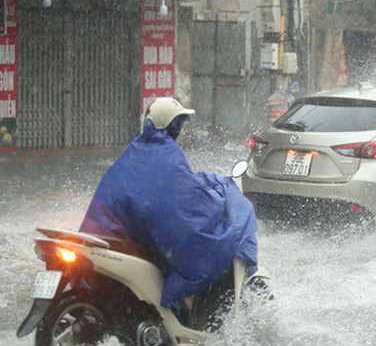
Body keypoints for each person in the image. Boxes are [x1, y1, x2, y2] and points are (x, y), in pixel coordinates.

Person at [80, 97, 258, 323]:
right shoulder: (168, 155)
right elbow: (184, 203)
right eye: (181, 123)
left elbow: (164, 190)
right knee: (210, 248)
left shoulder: (137, 150)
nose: (183, 129)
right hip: (132, 240)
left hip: (112, 235)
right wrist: (217, 205)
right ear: (172, 125)